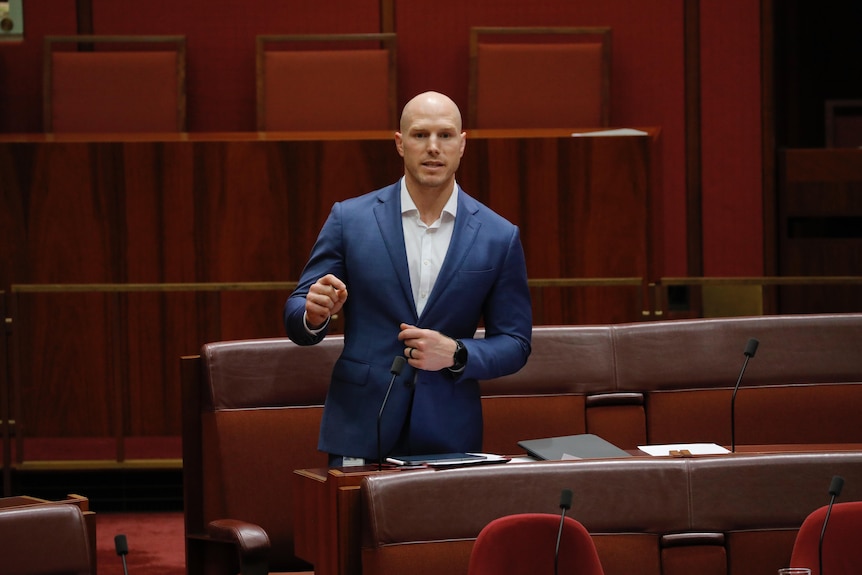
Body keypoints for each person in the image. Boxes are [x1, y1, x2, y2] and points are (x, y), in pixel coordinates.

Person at [283, 91, 532, 466]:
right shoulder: (350, 220)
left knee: (442, 527)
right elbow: (298, 309)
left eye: (445, 136)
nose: (433, 147)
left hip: (448, 429)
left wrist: (458, 353)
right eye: (420, 135)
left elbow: (515, 343)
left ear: (462, 145)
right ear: (400, 144)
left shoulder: (499, 236)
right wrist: (313, 314)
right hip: (361, 423)